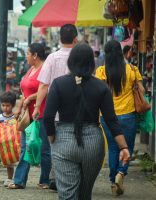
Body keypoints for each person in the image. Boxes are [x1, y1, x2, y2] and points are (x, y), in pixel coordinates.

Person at [43, 43, 130, 200]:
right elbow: (111, 120)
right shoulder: (101, 87)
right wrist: (123, 147)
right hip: (93, 145)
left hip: (63, 142)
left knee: (67, 194)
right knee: (85, 193)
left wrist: (52, 138)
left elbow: (48, 116)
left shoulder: (58, 84)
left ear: (71, 61)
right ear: (92, 62)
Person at [32, 24, 78, 190]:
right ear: (75, 39)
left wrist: (37, 107)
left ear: (60, 39)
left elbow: (44, 85)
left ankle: (55, 177)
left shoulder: (52, 58)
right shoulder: (80, 57)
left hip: (55, 111)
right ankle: (66, 178)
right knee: (73, 145)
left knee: (54, 145)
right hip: (76, 111)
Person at [96, 40, 144, 196]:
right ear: (120, 53)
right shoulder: (131, 69)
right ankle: (121, 173)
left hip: (107, 117)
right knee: (126, 148)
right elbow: (141, 90)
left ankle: (112, 180)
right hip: (128, 115)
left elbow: (97, 93)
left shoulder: (101, 71)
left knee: (113, 148)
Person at [8, 43, 51, 189]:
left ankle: (45, 180)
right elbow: (23, 91)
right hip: (28, 115)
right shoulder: (31, 69)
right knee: (25, 147)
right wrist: (19, 108)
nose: (25, 56)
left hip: (42, 113)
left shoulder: (45, 69)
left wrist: (31, 99)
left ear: (35, 56)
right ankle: (19, 180)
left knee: (44, 148)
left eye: (28, 53)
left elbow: (46, 88)